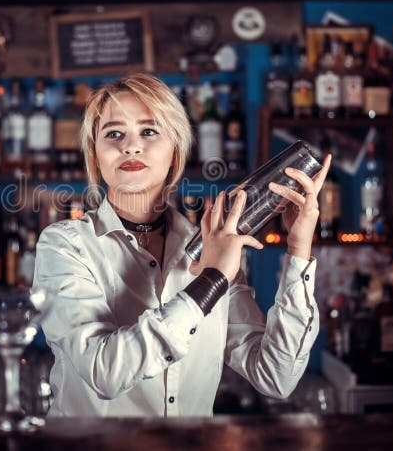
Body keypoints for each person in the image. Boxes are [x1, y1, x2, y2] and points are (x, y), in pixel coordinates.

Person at [33, 73, 331, 417]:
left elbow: (276, 377)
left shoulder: (211, 245)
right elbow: (105, 372)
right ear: (95, 155)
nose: (130, 146)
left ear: (175, 151)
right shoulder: (64, 246)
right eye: (113, 134)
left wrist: (299, 248)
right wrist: (212, 279)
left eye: (149, 131)